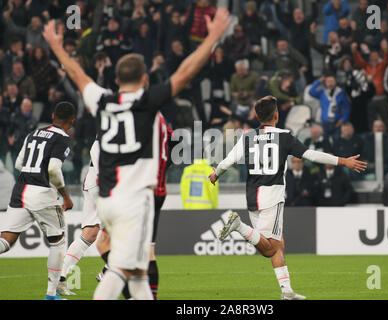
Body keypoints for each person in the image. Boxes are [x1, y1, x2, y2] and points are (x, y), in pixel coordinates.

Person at [43, 8, 231, 300]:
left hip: (107, 198)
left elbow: (78, 75)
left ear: (116, 80)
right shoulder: (148, 103)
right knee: (124, 267)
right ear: (145, 79)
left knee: (125, 262)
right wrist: (214, 36)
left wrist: (56, 46)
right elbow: (185, 71)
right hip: (136, 200)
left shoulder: (103, 101)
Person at [208, 96, 367, 300]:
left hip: (252, 196)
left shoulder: (247, 137)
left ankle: (287, 291)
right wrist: (343, 161)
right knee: (270, 248)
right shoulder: (284, 136)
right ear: (276, 115)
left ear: (257, 117)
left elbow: (228, 161)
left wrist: (215, 174)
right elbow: (310, 155)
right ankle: (238, 225)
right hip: (271, 196)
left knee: (278, 246)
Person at [0, 102, 75, 300]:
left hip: (20, 191)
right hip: (42, 193)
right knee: (58, 242)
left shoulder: (33, 134)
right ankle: (51, 296)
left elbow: (18, 164)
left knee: (5, 241)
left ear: (52, 116)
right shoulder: (63, 139)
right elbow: (53, 169)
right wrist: (65, 196)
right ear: (72, 120)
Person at [95, 112, 174, 300]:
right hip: (156, 190)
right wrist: (162, 169)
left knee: (105, 244)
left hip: (135, 190)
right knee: (147, 253)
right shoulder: (161, 119)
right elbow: (174, 141)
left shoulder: (137, 116)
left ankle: (124, 287)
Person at [57, 139, 100, 296]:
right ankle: (110, 271)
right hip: (102, 183)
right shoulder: (117, 124)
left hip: (92, 182)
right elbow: (96, 148)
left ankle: (60, 277)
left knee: (89, 234)